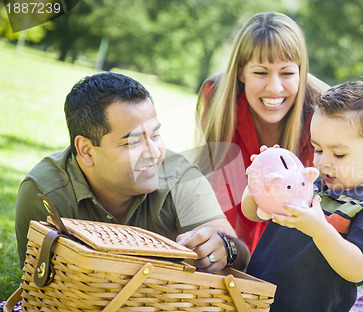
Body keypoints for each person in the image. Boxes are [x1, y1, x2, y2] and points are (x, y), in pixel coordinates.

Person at [15, 72, 249, 273]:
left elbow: (240, 255)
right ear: (85, 150)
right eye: (133, 142)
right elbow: (41, 285)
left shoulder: (182, 179)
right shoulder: (45, 191)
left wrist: (225, 249)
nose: (154, 152)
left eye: (155, 135)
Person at [242, 80, 363, 312]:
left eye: (338, 155)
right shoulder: (309, 186)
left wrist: (320, 231)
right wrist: (259, 184)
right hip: (251, 306)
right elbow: (252, 213)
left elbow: (357, 269)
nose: (324, 163)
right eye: (317, 149)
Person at [195, 12, 329, 252]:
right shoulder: (217, 96)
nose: (275, 87)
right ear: (241, 72)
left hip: (296, 246)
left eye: (287, 73)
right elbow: (217, 189)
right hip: (232, 234)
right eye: (260, 72)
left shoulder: (322, 110)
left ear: (301, 71)